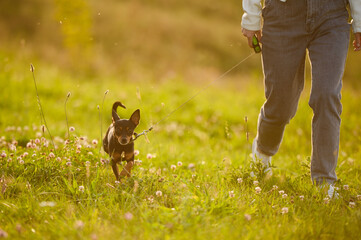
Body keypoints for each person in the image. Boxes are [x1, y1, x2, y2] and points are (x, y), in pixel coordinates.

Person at [241, 0, 361, 198]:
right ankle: (262, 152)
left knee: (327, 94)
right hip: (283, 14)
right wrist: (251, 17)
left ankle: (324, 181)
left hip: (331, 15)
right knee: (281, 102)